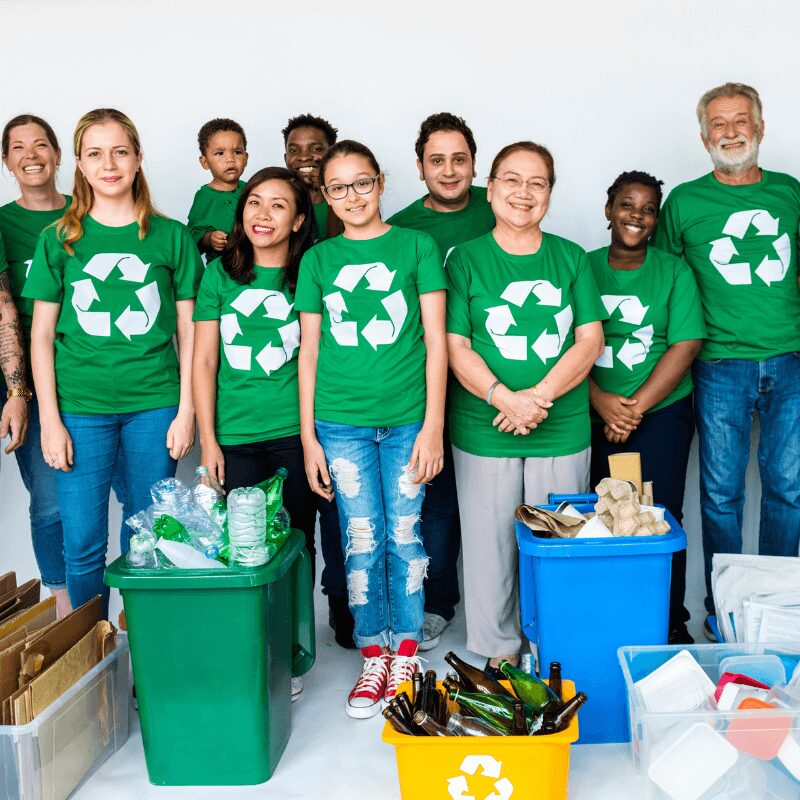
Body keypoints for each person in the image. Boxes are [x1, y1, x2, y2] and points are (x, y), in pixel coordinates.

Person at [24, 108, 202, 615]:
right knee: (82, 544)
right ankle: (94, 659)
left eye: (120, 151)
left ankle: (143, 651)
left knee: (145, 539)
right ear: (79, 163)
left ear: (138, 158)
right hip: (80, 408)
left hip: (155, 404)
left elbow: (189, 333)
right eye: (96, 153)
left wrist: (186, 409)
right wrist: (50, 422)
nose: (109, 164)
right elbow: (40, 337)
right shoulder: (58, 238)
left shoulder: (171, 237)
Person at [296, 140, 447, 717]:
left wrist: (433, 425)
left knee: (405, 538)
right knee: (361, 540)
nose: (352, 196)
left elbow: (436, 341)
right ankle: (372, 654)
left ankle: (405, 651)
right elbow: (309, 351)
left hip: (408, 420)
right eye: (338, 188)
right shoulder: (319, 260)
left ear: (381, 182)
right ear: (326, 197)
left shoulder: (416, 246)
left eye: (362, 183)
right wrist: (310, 437)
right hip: (339, 425)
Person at [446, 141, 605, 675]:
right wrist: (502, 397)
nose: (524, 192)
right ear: (489, 190)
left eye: (537, 183)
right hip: (484, 428)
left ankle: (552, 645)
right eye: (511, 180)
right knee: (489, 547)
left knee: (557, 545)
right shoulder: (464, 259)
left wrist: (536, 399)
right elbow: (455, 345)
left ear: (550, 195)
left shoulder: (571, 258)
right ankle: (498, 650)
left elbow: (589, 341)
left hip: (559, 428)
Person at [653, 82, 800, 638]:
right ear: (703, 135)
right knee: (720, 495)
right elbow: (664, 285)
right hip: (717, 366)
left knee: (788, 488)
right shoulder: (685, 203)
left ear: (760, 128)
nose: (731, 131)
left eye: (742, 120)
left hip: (790, 360)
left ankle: (778, 605)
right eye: (719, 123)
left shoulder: (791, 192)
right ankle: (727, 613)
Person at [387, 112, 495, 650]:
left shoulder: (501, 205)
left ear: (476, 162)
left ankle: (501, 610)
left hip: (496, 380)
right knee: (437, 501)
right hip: (430, 386)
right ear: (419, 166)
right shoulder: (404, 227)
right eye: (437, 160)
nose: (449, 171)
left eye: (459, 159)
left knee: (495, 502)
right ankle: (436, 603)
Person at [588, 170, 706, 644]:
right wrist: (601, 401)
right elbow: (561, 343)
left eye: (648, 209)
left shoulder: (673, 271)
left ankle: (666, 616)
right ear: (608, 209)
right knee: (598, 515)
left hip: (661, 415)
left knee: (657, 514)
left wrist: (632, 410)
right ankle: (607, 612)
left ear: (657, 219)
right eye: (626, 204)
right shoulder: (581, 265)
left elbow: (685, 342)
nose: (636, 215)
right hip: (591, 413)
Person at [283, 112, 352, 646]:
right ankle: (290, 623)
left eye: (316, 149)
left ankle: (342, 604)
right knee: (293, 518)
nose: (305, 156)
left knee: (338, 511)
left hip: (338, 393)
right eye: (296, 148)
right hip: (286, 396)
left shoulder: (345, 211)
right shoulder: (278, 211)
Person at [0, 114, 71, 616]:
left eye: (41, 144)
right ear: (6, 161)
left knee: (138, 491)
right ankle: (68, 610)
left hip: (91, 369)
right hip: (27, 374)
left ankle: (143, 603)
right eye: (19, 147)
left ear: (59, 155)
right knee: (48, 499)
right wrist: (18, 393)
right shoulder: (3, 223)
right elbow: (5, 309)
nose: (31, 154)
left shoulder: (87, 212)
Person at [187, 118, 249, 258]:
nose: (230, 159)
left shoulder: (252, 190)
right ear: (205, 162)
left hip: (253, 265)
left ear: (246, 158)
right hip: (221, 269)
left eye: (237, 152)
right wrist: (209, 238)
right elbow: (192, 235)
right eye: (220, 153)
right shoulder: (204, 196)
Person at [283, 114, 344, 240]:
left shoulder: (349, 198)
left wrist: (328, 188)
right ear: (285, 158)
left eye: (316, 149)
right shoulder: (278, 201)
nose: (304, 157)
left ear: (332, 154)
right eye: (293, 150)